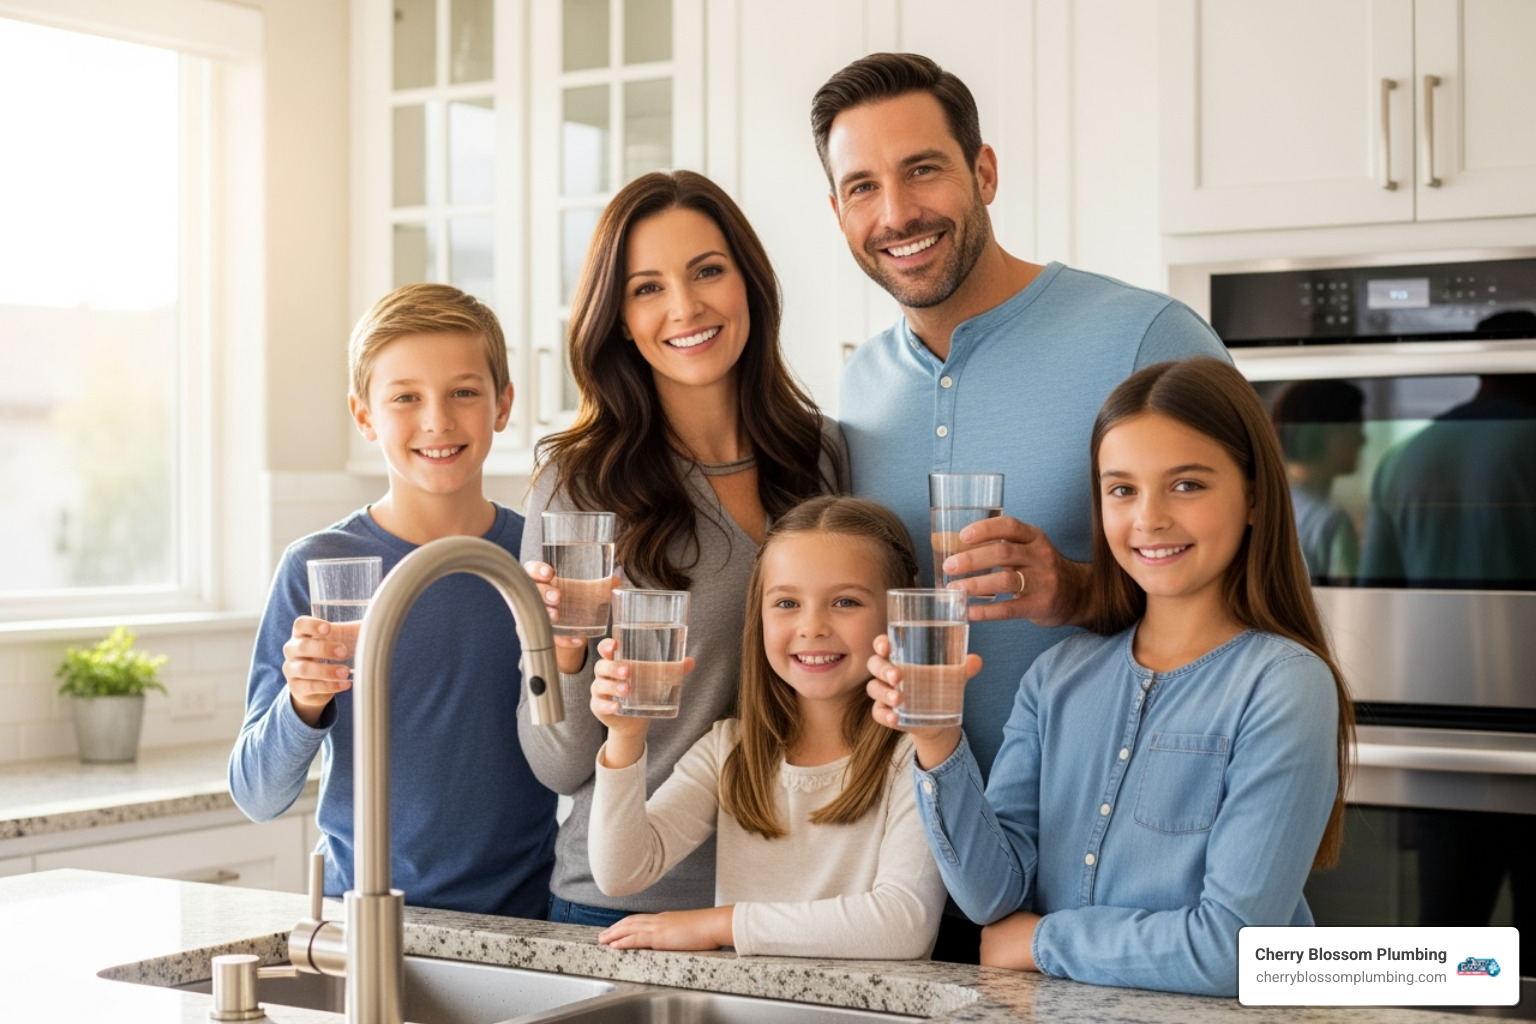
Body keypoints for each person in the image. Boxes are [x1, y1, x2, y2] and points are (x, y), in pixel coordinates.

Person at [811, 50, 1231, 963]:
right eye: (861, 187)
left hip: (1128, 880)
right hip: (919, 869)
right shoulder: (860, 386)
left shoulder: (1147, 338)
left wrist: (1077, 591)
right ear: (837, 212)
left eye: (923, 168)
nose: (897, 214)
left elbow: (1254, 598)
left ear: (984, 171)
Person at [868, 358, 1355, 996]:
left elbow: (1234, 950)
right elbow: (994, 896)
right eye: (1122, 490)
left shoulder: (1284, 685)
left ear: (1256, 497)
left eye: (1187, 485)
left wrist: (1042, 941)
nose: (1148, 518)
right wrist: (936, 741)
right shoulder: (1056, 678)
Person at [518, 170, 847, 928]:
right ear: (619, 320)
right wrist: (565, 651)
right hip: (628, 905)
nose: (685, 306)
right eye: (647, 288)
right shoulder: (578, 487)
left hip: (797, 901)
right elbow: (559, 767)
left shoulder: (824, 458)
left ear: (749, 287)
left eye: (707, 271)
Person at [229, 283, 557, 917]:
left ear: (503, 404)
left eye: (464, 391)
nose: (438, 419)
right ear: (364, 414)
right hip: (365, 919)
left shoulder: (536, 563)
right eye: (405, 397)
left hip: (525, 923)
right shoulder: (315, 567)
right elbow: (257, 795)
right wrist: (303, 703)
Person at [585, 496, 946, 958]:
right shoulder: (729, 749)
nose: (812, 626)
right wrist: (625, 737)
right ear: (759, 614)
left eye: (845, 601)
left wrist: (721, 924)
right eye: (787, 602)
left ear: (900, 614)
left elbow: (903, 924)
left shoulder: (916, 756)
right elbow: (622, 872)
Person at [1268, 379, 1366, 580]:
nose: (1363, 440)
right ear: (1330, 434)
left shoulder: (1270, 506)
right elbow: (1351, 601)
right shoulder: (1331, 521)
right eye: (1357, 427)